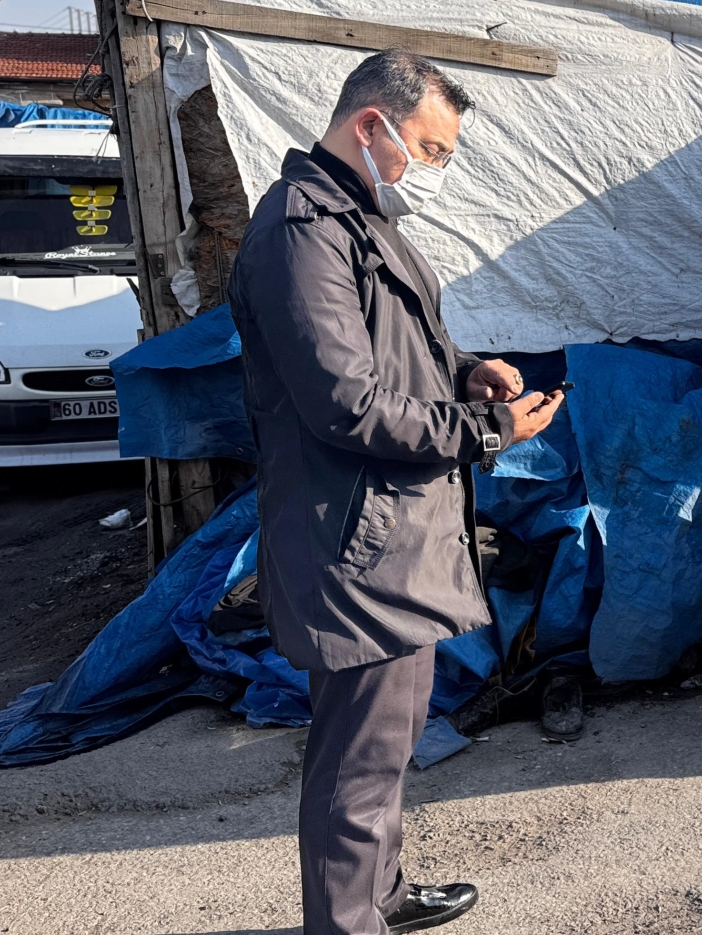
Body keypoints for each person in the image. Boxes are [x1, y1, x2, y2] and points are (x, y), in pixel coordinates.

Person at [228, 49, 560, 935]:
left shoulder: (361, 222)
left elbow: (402, 355)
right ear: (372, 125)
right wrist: (489, 433)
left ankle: (381, 893)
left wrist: (467, 371)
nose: (437, 169)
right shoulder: (303, 232)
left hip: (393, 533)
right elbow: (347, 403)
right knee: (357, 759)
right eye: (432, 147)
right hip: (355, 540)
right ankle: (346, 920)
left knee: (390, 740)